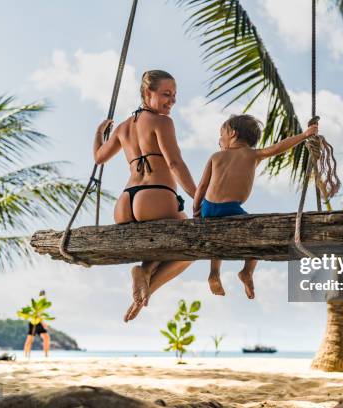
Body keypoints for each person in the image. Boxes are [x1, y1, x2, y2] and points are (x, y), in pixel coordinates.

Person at [93, 70, 197, 322]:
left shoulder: (124, 127)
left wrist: (98, 134)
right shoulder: (162, 122)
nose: (171, 101)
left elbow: (99, 158)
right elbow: (174, 163)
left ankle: (145, 271)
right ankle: (147, 283)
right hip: (155, 195)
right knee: (192, 247)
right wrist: (198, 196)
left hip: (125, 202)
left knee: (160, 245)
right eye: (166, 94)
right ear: (147, 93)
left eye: (174, 95)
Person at [193, 114, 318, 298]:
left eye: (221, 134)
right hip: (231, 209)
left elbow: (202, 186)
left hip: (208, 208)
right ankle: (247, 272)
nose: (219, 140)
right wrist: (305, 134)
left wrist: (196, 209)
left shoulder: (216, 156)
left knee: (214, 237)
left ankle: (214, 273)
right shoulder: (252, 154)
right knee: (258, 234)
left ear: (233, 134)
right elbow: (278, 147)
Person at [23, 290, 51, 358]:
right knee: (29, 340)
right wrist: (43, 323)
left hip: (39, 322)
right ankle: (26, 355)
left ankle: (46, 355)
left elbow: (41, 314)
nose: (44, 297)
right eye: (43, 296)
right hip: (34, 323)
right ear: (40, 296)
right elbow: (38, 314)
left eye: (44, 296)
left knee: (46, 338)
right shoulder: (40, 302)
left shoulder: (44, 302)